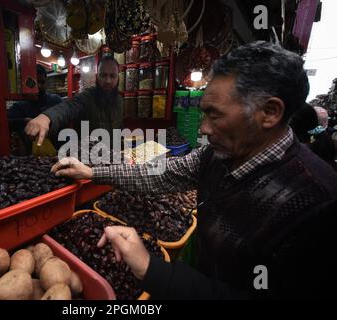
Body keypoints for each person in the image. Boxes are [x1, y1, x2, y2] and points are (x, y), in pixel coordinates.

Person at [50, 41, 337, 299]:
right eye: (203, 113)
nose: (203, 128)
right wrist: (93, 172)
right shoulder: (216, 155)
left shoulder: (317, 204)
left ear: (270, 113)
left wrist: (152, 269)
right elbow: (161, 173)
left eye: (215, 114)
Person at [25, 56, 123, 146]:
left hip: (113, 158)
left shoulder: (119, 100)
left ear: (118, 77)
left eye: (113, 76)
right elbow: (69, 107)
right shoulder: (87, 97)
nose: (108, 81)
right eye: (103, 75)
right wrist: (46, 117)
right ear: (97, 77)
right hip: (88, 160)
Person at [7, 64, 63, 153]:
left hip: (57, 151)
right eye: (35, 83)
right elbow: (7, 123)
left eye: (42, 82)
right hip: (29, 155)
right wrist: (24, 121)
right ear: (26, 83)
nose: (39, 86)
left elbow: (66, 117)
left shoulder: (55, 100)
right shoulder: (20, 105)